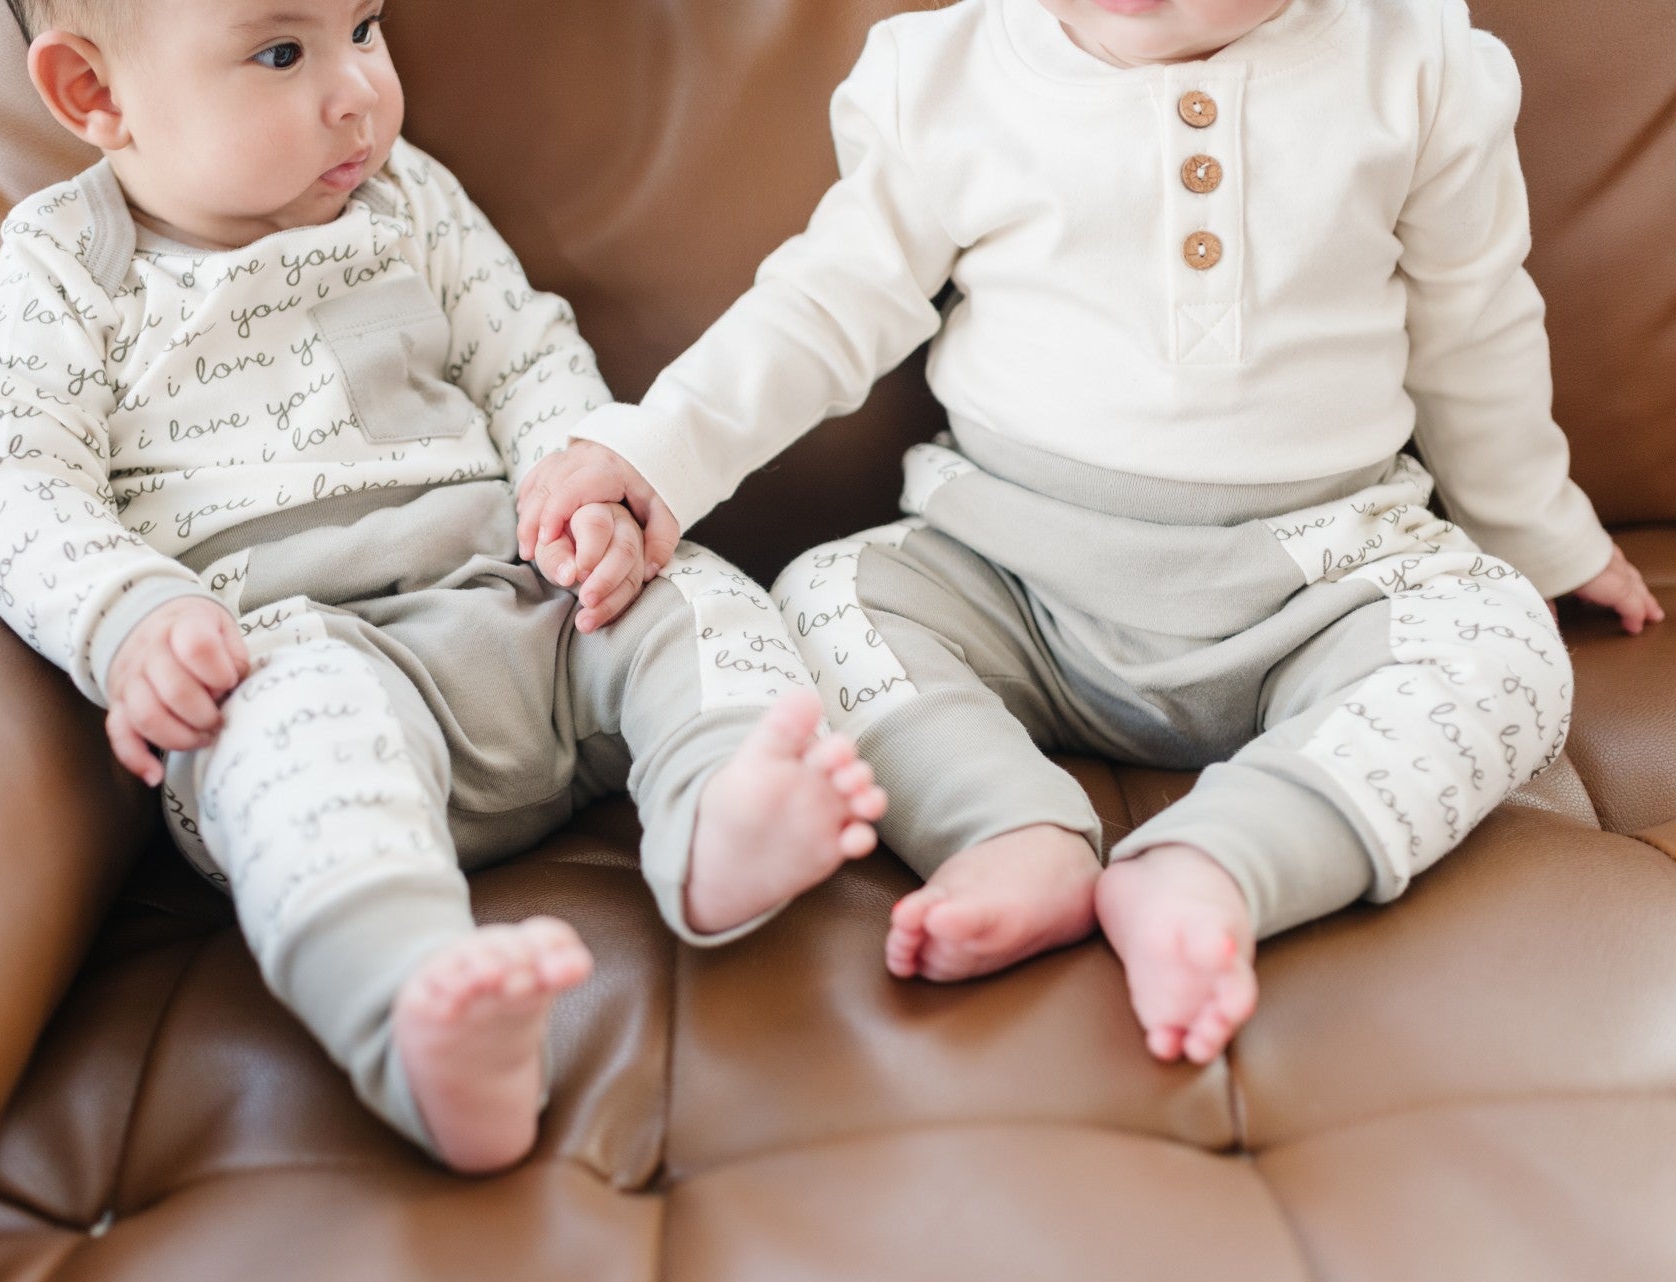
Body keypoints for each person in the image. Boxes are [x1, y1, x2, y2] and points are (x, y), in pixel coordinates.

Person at [514, 0, 1663, 1066]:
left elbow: (1477, 331)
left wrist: (1542, 538)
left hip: (1324, 574)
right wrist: (657, 450)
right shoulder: (946, 77)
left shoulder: (1416, 63)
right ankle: (1005, 829)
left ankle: (1221, 862)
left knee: (1507, 643)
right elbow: (819, 308)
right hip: (1010, 572)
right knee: (820, 595)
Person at [0, 0, 886, 1173]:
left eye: (366, 27)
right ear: (94, 93)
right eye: (281, 53)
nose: (359, 93)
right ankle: (415, 1008)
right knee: (283, 736)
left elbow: (525, 357)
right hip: (299, 651)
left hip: (530, 603)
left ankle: (721, 810)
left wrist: (580, 491)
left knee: (692, 591)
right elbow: (6, 473)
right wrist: (130, 615)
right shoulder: (67, 267)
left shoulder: (409, 197)